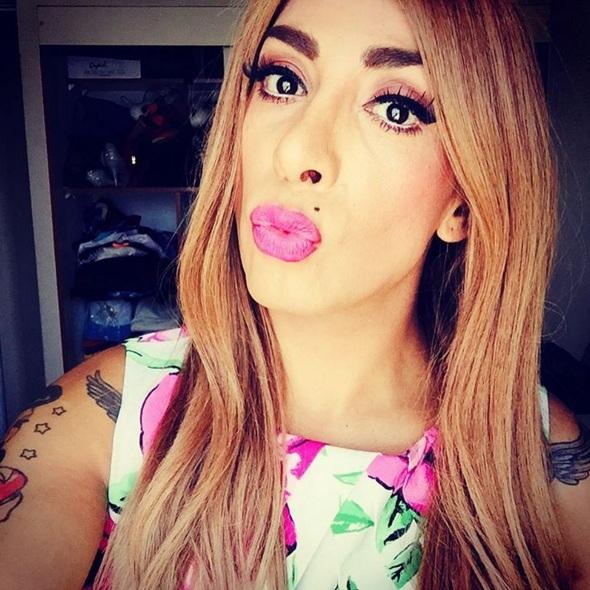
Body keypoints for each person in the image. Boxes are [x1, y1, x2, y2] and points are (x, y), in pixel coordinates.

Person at [1, 0, 589, 588]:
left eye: (396, 109)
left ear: (462, 201)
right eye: (284, 82)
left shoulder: (541, 465)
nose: (297, 152)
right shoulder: (100, 418)